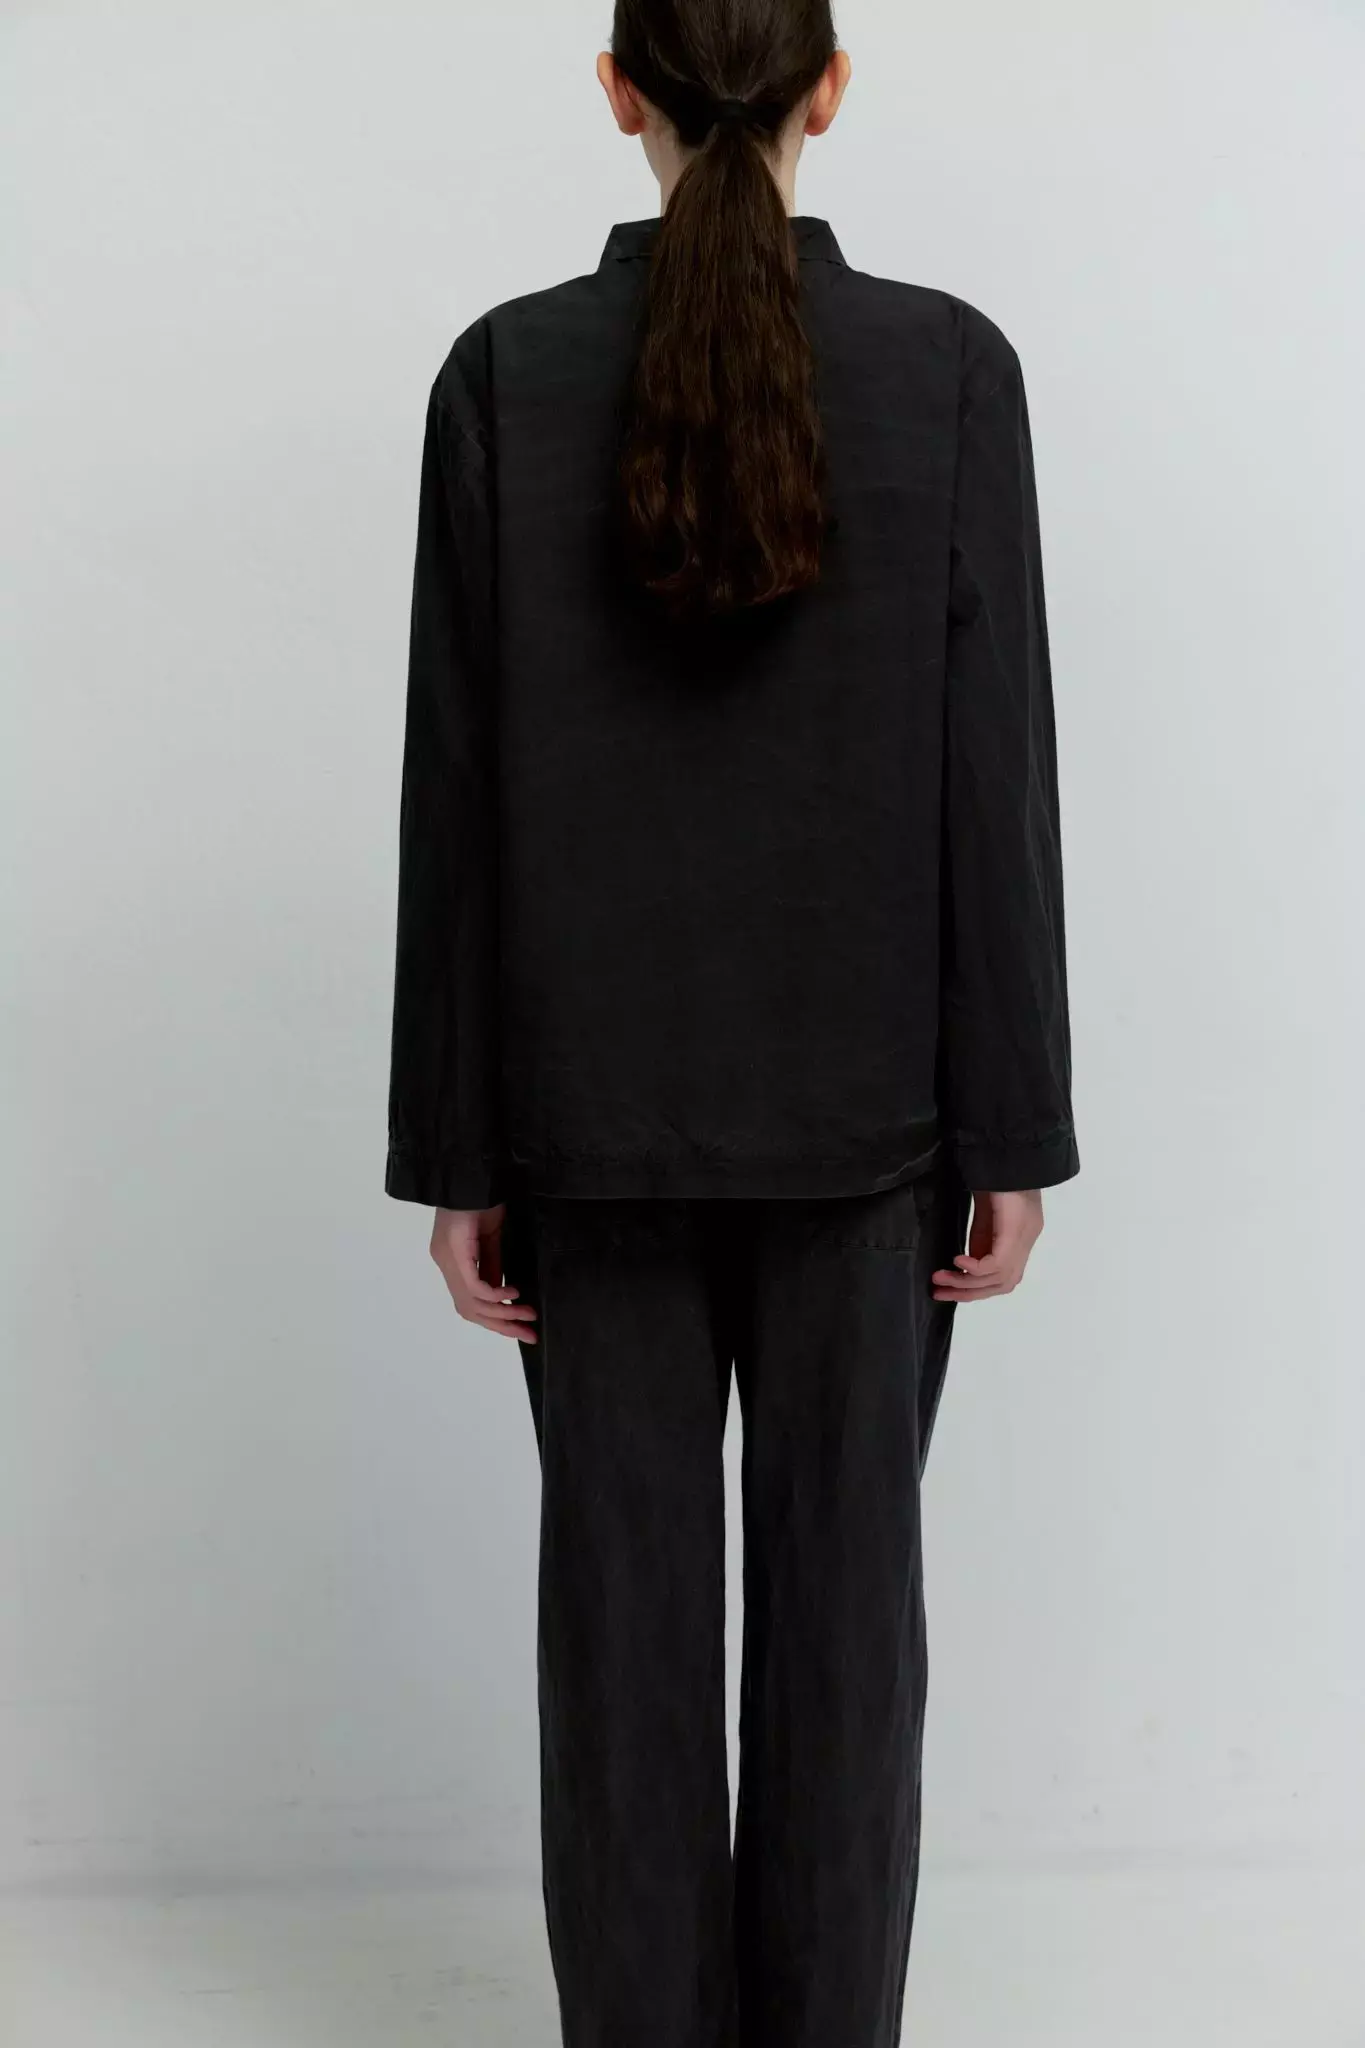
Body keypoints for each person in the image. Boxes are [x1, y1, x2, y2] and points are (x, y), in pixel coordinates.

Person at [384, 1, 1078, 2041]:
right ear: (828, 88)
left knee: (619, 1633)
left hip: (585, 1124)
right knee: (850, 1635)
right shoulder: (949, 371)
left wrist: (458, 1154)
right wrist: (1011, 1131)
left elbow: (458, 796)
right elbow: (992, 782)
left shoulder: (504, 374)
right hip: (874, 1135)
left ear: (618, 90)